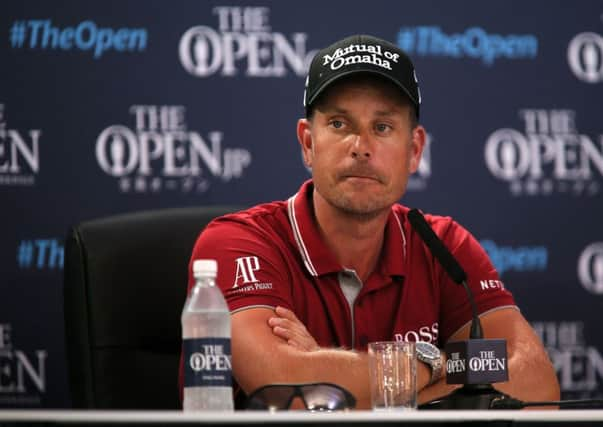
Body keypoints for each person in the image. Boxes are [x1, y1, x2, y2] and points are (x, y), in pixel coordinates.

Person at [182, 34, 560, 409]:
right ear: (308, 143)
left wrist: (326, 375)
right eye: (339, 124)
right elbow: (285, 389)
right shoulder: (238, 242)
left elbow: (537, 386)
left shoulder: (444, 246)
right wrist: (436, 365)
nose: (361, 145)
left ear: (414, 151)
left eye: (382, 127)